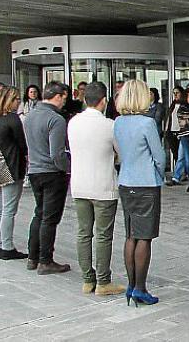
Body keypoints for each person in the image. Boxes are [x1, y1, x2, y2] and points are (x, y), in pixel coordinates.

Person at [67, 81, 125, 296]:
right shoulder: (110, 125)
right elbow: (120, 152)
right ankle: (103, 281)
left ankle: (87, 279)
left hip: (79, 184)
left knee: (83, 233)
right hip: (103, 185)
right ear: (104, 101)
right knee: (103, 235)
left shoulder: (73, 122)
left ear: (85, 99)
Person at [113, 79, 165, 306]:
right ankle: (140, 288)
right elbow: (159, 155)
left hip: (126, 181)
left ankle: (131, 285)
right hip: (146, 183)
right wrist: (159, 174)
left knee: (131, 234)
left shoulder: (118, 122)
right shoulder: (147, 123)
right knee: (145, 236)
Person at [23, 81, 71, 274]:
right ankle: (45, 260)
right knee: (50, 218)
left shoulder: (30, 115)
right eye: (64, 98)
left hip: (34, 170)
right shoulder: (56, 119)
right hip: (52, 173)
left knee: (39, 213)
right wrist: (68, 169)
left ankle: (32, 257)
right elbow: (57, 153)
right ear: (58, 96)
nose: (64, 103)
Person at [0, 86, 28, 260]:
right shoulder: (12, 119)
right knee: (9, 209)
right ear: (9, 100)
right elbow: (22, 145)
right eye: (17, 99)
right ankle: (7, 247)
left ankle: (0, 243)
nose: (19, 103)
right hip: (11, 166)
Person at [165, 86, 185, 182]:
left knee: (182, 155)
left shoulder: (184, 104)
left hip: (181, 132)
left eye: (177, 92)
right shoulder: (173, 105)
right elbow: (169, 119)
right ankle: (181, 173)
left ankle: (178, 175)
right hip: (172, 131)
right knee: (176, 154)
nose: (175, 94)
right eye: (174, 93)